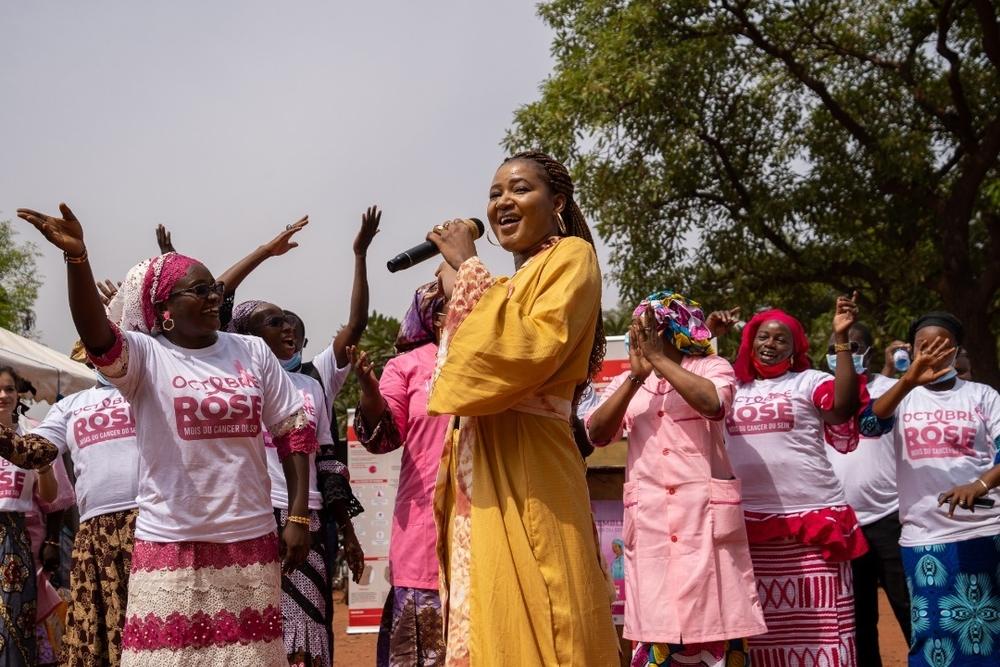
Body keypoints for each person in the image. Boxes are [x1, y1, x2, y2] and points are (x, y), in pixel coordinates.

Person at [17, 203, 318, 666]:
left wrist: (297, 517)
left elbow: (293, 431)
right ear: (165, 309)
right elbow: (97, 337)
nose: (215, 296)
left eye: (215, 288)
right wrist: (77, 259)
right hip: (171, 543)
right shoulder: (143, 357)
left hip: (249, 537)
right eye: (200, 290)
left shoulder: (252, 351)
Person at [423, 150, 619, 665]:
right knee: (493, 610)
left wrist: (468, 268)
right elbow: (462, 375)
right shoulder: (508, 284)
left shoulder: (572, 256)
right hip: (483, 459)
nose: (502, 202)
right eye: (494, 194)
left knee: (551, 615)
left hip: (531, 458)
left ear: (557, 202)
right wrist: (467, 286)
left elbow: (525, 351)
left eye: (518, 189)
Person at [587, 291, 765, 667]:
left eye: (648, 327)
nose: (639, 334)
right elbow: (597, 434)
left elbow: (713, 405)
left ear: (673, 329)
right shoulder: (631, 381)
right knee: (658, 630)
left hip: (706, 525)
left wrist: (658, 362)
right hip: (651, 527)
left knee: (718, 628)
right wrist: (637, 376)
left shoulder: (712, 368)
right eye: (637, 328)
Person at [718, 300, 869, 667]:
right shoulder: (729, 386)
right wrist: (710, 337)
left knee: (821, 631)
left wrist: (841, 338)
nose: (770, 343)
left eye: (781, 338)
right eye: (763, 336)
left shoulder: (809, 381)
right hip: (750, 524)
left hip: (812, 522)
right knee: (762, 634)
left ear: (795, 347)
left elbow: (843, 407)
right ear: (750, 342)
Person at [228, 299, 364, 667]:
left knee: (307, 626)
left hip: (305, 516)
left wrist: (337, 528)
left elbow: (325, 460)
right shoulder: (236, 382)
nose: (287, 330)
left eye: (291, 326)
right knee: (256, 623)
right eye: (275, 323)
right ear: (250, 338)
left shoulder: (309, 385)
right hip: (251, 514)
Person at [862, 312, 1000, 667]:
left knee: (988, 630)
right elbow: (869, 424)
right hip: (924, 537)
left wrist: (980, 483)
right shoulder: (898, 396)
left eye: (941, 345)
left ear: (956, 350)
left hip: (983, 531)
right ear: (912, 349)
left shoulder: (983, 395)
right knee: (933, 636)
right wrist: (907, 380)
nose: (932, 352)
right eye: (924, 345)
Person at [350, 264, 455, 667]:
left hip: (488, 524)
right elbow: (382, 439)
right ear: (433, 316)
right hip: (424, 530)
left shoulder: (491, 361)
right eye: (448, 305)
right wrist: (370, 392)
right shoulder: (408, 365)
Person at [30, 342, 140, 667]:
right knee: (103, 631)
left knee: (151, 624)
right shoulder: (72, 405)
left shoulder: (149, 388)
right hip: (96, 534)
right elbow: (35, 449)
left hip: (155, 526)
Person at [825, 325, 911, 666]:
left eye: (851, 346)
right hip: (845, 524)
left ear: (870, 353)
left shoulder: (895, 390)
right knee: (859, 620)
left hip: (893, 519)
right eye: (834, 349)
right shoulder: (823, 393)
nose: (841, 353)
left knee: (909, 609)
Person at [0, 366, 60, 666]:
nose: (3, 395)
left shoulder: (33, 433)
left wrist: (44, 465)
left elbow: (51, 498)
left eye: (9, 389)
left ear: (18, 393)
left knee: (18, 621)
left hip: (18, 543)